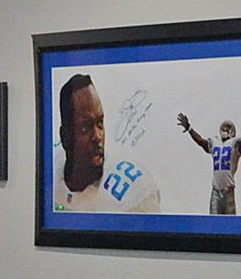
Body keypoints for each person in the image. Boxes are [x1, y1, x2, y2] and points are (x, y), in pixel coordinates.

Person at [54, 75, 161, 212]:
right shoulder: (49, 170)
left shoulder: (135, 194)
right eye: (85, 128)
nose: (98, 136)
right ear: (65, 137)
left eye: (100, 123)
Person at [176, 111, 241, 215]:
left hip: (228, 191)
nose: (225, 129)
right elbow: (201, 141)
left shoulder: (235, 143)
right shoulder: (214, 142)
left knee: (230, 222)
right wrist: (189, 129)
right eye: (224, 127)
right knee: (213, 221)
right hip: (215, 190)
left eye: (228, 127)